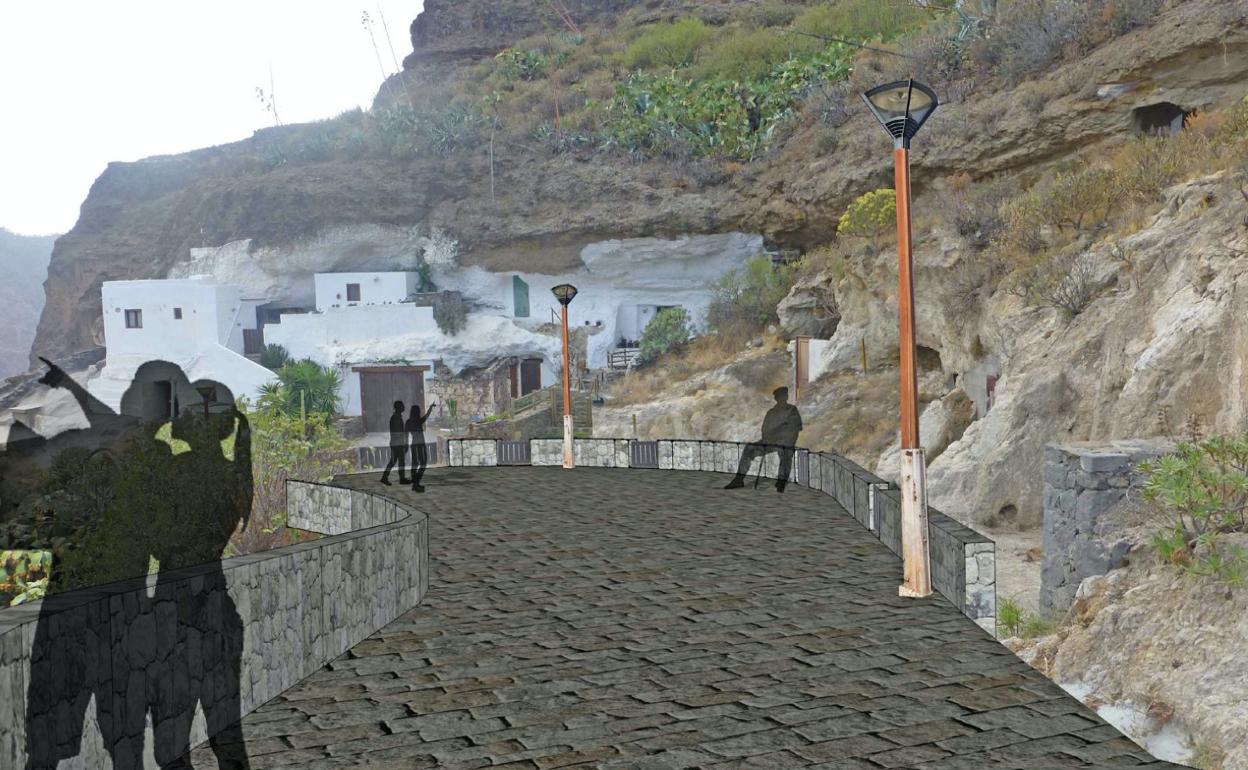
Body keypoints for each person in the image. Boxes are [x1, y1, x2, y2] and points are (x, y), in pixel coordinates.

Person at [724, 386, 803, 493]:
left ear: (786, 396)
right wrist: (769, 437)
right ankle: (739, 479)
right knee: (749, 448)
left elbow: (796, 428)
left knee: (785, 453)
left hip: (786, 442)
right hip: (770, 442)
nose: (782, 398)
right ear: (776, 398)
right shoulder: (771, 412)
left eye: (784, 396)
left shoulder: (792, 410)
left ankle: (781, 481)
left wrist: (783, 436)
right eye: (779, 397)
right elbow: (765, 429)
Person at [406, 400, 436, 492]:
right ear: (417, 412)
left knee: (416, 464)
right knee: (422, 463)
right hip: (419, 444)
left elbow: (405, 435)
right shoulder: (418, 421)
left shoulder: (409, 422)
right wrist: (430, 408)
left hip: (414, 444)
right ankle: (416, 484)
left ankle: (415, 484)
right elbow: (426, 416)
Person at [379, 400, 407, 485]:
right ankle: (385, 477)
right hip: (397, 443)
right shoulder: (396, 418)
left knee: (399, 461)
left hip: (397, 443)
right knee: (394, 461)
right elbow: (398, 433)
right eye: (402, 406)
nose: (404, 407)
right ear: (399, 408)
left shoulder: (397, 417)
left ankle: (400, 478)